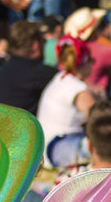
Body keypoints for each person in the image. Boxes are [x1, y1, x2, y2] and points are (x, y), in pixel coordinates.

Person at [38, 36, 97, 168]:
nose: (94, 62)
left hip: (45, 150)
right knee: (107, 144)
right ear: (85, 62)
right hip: (59, 147)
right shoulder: (78, 89)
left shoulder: (60, 78)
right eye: (91, 59)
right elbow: (101, 119)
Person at [0, 20, 55, 114]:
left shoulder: (2, 70)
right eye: (44, 41)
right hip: (17, 128)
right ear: (36, 46)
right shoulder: (38, 73)